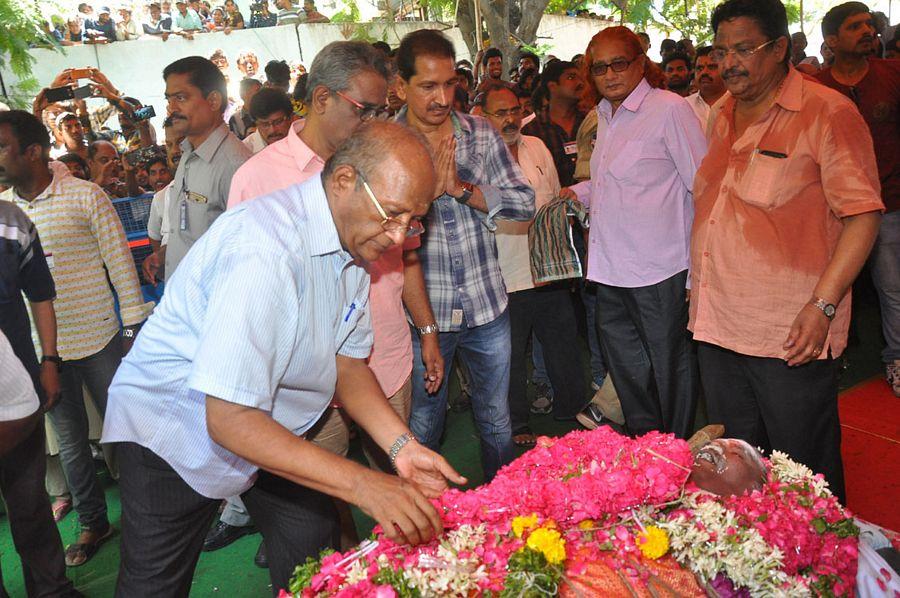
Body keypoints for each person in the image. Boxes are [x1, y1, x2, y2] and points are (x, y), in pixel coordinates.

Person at [102, 120, 465, 595]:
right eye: (392, 214)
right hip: (174, 429)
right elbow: (229, 420)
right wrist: (363, 485)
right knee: (155, 585)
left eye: (412, 220)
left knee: (311, 543)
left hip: (270, 424)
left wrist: (402, 447)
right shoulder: (265, 249)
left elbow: (347, 364)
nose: (399, 237)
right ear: (343, 181)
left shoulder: (356, 243)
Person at [223, 42, 430, 562]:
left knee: (397, 496)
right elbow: (230, 404)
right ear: (320, 99)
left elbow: (349, 351)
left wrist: (425, 333)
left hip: (378, 358)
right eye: (367, 109)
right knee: (315, 519)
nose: (376, 121)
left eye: (385, 109)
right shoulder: (261, 194)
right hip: (285, 390)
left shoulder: (374, 189)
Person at [690, 0, 884, 505]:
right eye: (720, 50)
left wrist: (822, 305)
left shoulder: (827, 113)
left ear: (779, 49)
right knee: (738, 465)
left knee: (804, 474)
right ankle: (756, 570)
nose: (728, 62)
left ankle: (823, 572)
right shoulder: (719, 113)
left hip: (789, 333)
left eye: (743, 49)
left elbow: (862, 214)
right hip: (718, 325)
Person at [0, 110, 154, 567]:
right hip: (44, 352)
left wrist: (131, 330)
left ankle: (149, 517)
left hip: (101, 336)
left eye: (4, 147)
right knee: (69, 442)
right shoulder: (7, 212)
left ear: (34, 151)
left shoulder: (85, 196)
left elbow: (120, 264)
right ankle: (93, 522)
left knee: (127, 431)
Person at [395, 29, 535, 481]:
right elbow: (376, 235)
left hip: (486, 304)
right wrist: (426, 194)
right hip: (423, 319)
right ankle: (431, 532)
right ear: (400, 86)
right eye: (426, 86)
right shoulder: (385, 145)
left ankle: (504, 517)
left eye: (448, 84)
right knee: (422, 431)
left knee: (497, 424)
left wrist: (461, 189)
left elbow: (524, 202)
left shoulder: (478, 134)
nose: (440, 97)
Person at [562, 26, 706, 440]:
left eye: (619, 64)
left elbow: (704, 186)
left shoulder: (669, 109)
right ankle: (647, 448)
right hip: (609, 271)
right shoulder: (604, 116)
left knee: (669, 369)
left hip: (660, 270)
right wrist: (574, 192)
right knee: (624, 369)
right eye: (599, 68)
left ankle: (676, 450)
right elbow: (616, 182)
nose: (609, 75)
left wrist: (697, 273)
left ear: (641, 63)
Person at [476, 81, 587, 448]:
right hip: (502, 276)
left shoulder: (536, 146)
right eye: (500, 112)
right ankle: (518, 422)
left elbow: (553, 198)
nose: (510, 119)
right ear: (482, 115)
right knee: (510, 356)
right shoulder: (474, 158)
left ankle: (572, 412)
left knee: (564, 347)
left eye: (515, 110)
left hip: (547, 269)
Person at [815, 2, 900, 398]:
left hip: (889, 204)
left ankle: (896, 358)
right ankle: (830, 356)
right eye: (855, 26)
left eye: (869, 24)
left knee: (892, 287)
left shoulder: (892, 74)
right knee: (831, 286)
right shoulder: (816, 88)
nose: (868, 30)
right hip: (831, 211)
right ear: (831, 41)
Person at [0, 180, 77, 596]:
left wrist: (50, 361)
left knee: (29, 496)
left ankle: (51, 589)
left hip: (17, 393)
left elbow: (41, 297)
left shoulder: (13, 224)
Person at [143, 56, 252, 284]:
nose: (172, 108)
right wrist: (167, 254)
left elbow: (248, 253)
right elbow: (194, 234)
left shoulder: (236, 167)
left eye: (181, 98)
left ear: (213, 101)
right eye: (169, 99)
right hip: (184, 299)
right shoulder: (188, 155)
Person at [522, 60, 586, 188]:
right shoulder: (532, 132)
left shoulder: (592, 122)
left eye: (581, 78)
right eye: (571, 77)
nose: (580, 83)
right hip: (553, 204)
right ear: (552, 86)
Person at [686, 46, 726, 133]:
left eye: (711, 67)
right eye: (699, 68)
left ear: (724, 69)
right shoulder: (685, 105)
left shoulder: (739, 102)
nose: (704, 72)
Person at [243, 87, 294, 153]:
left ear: (290, 118)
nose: (273, 130)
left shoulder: (303, 140)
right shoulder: (245, 152)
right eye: (265, 124)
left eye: (278, 122)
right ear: (256, 123)